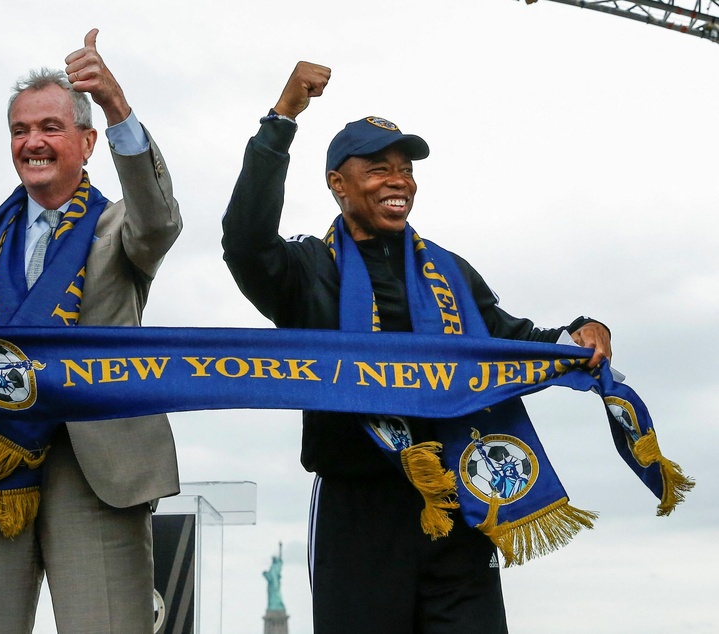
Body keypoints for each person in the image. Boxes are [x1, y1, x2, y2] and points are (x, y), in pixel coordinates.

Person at [221, 61, 611, 634]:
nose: (398, 181)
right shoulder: (305, 271)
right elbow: (245, 241)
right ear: (338, 184)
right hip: (358, 509)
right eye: (378, 169)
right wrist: (281, 121)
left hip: (460, 501)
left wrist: (577, 334)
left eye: (405, 170)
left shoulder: (449, 270)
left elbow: (508, 339)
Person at [0, 29, 181, 634]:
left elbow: (160, 217)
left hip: (98, 472)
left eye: (50, 127)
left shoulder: (120, 228)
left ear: (87, 141)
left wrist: (116, 103)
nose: (33, 142)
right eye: (21, 131)